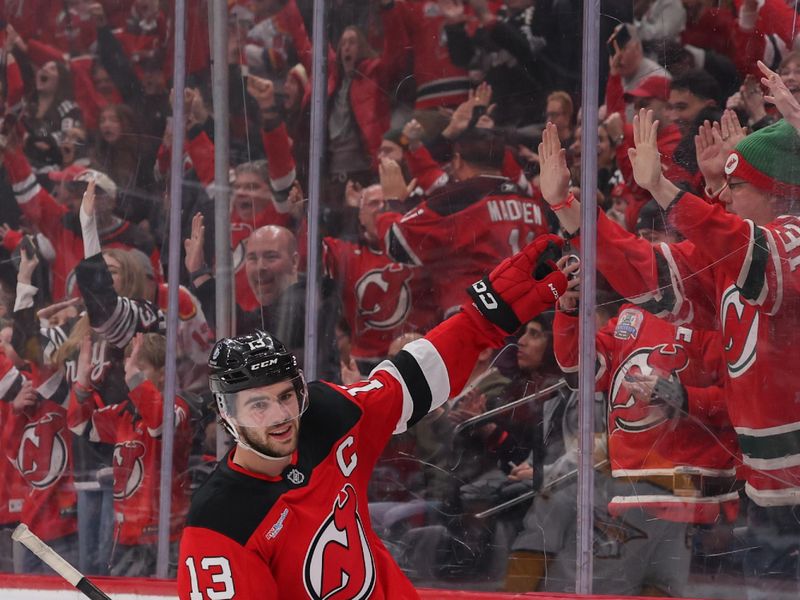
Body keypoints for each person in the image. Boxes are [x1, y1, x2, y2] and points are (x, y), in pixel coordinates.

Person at [177, 234, 568, 598]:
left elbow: (410, 378)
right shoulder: (219, 521)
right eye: (258, 405)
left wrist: (484, 317)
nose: (280, 415)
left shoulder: (326, 416)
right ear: (227, 414)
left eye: (286, 396)